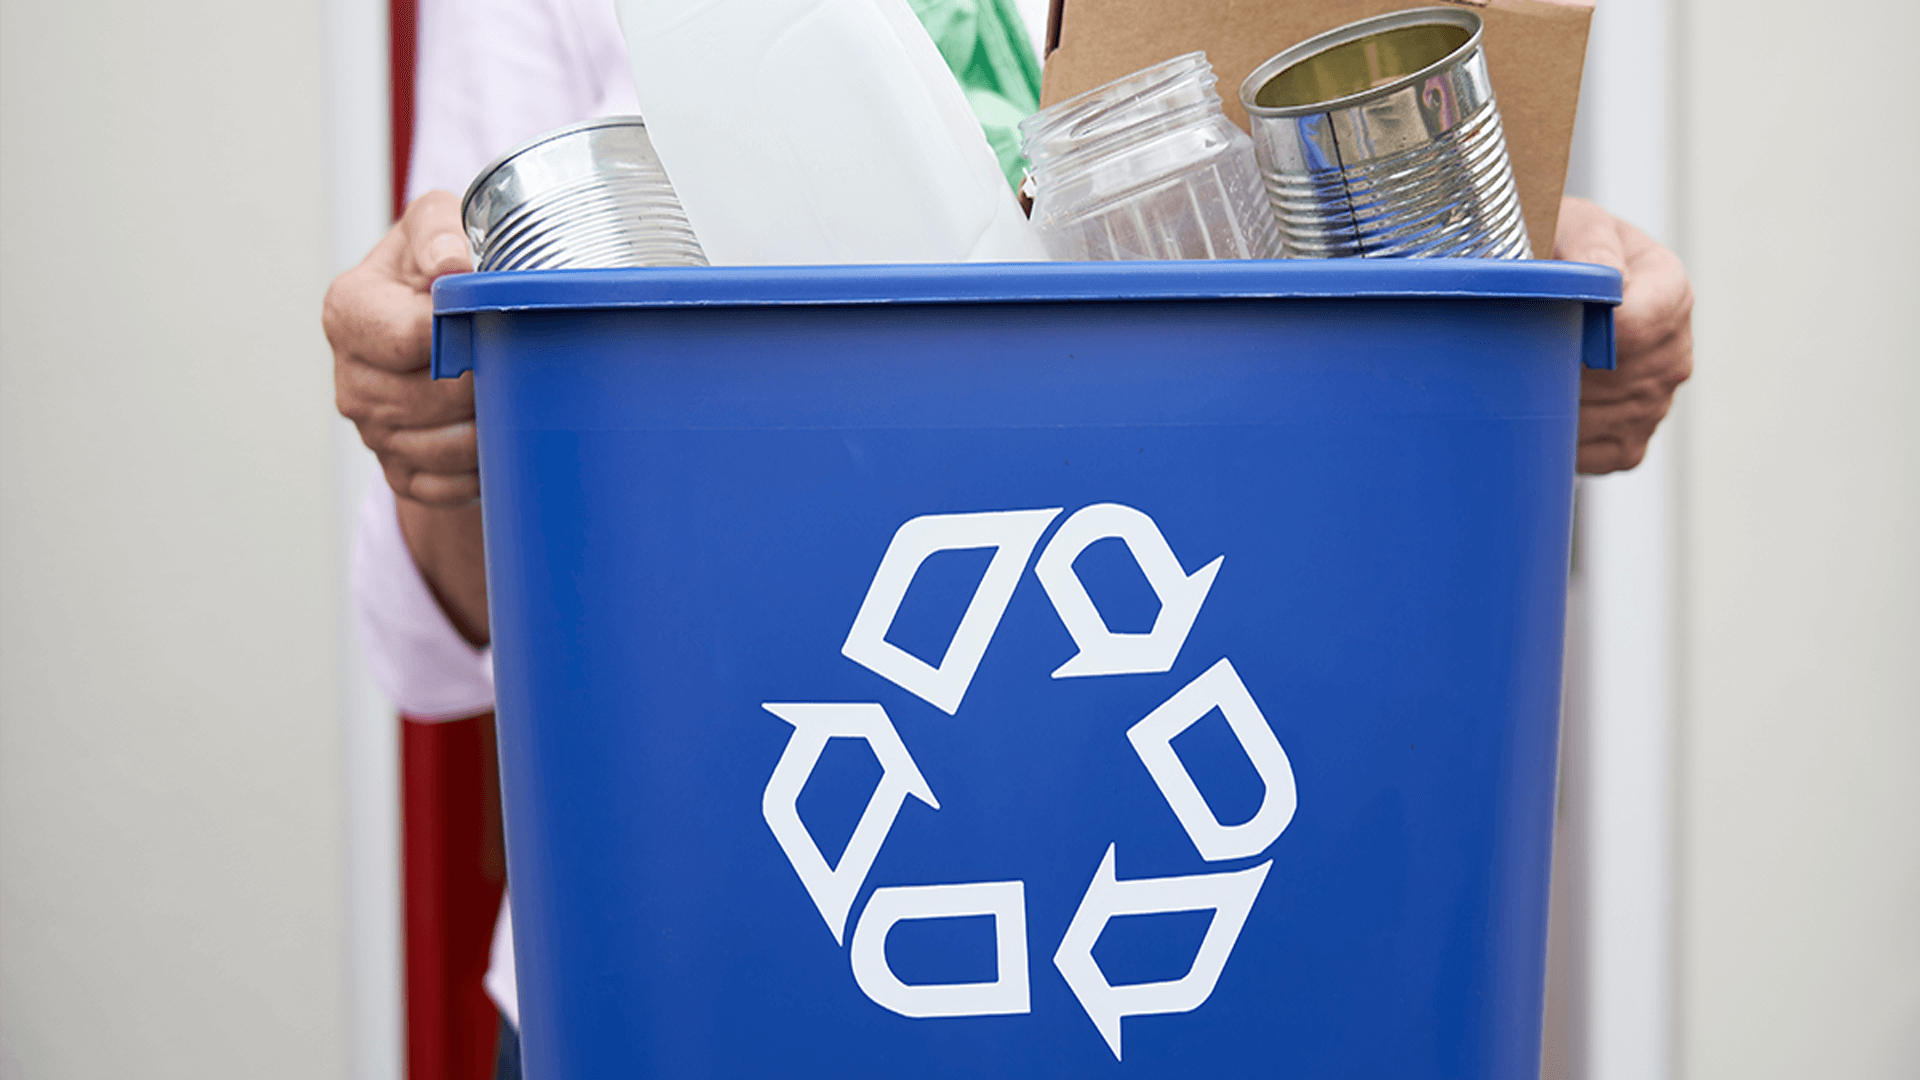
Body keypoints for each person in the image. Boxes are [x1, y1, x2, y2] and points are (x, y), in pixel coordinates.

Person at [323, 1, 1694, 1072]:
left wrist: (1513, 316)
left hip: (1302, 989)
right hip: (707, 988)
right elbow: (443, 638)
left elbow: (1412, 259)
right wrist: (446, 437)